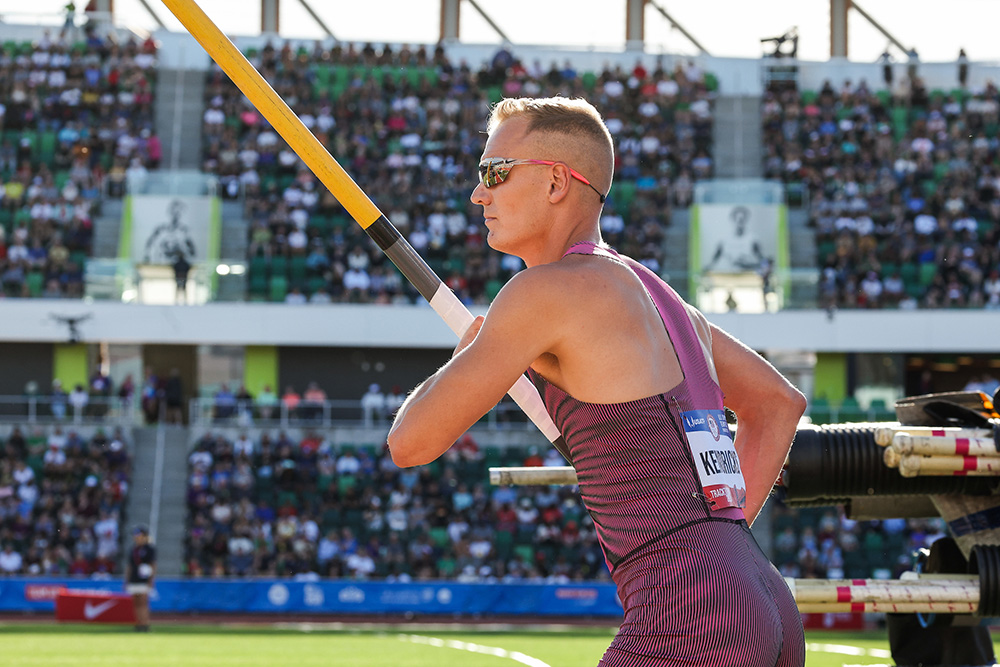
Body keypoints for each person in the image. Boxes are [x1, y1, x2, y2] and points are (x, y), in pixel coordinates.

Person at [388, 97, 805, 666]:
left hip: (692, 606)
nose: (478, 194)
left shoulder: (544, 292)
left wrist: (470, 355)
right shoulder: (660, 297)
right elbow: (778, 402)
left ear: (557, 181)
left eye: (494, 172)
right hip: (758, 590)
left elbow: (411, 442)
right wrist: (717, 550)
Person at [126, 525, 156, 632]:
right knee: (136, 603)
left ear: (144, 536)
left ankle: (145, 624)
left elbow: (153, 565)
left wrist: (151, 580)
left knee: (143, 603)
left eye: (138, 535)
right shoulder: (133, 549)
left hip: (144, 579)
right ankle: (138, 623)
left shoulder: (149, 549)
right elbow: (129, 566)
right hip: (134, 578)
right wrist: (127, 580)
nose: (136, 538)